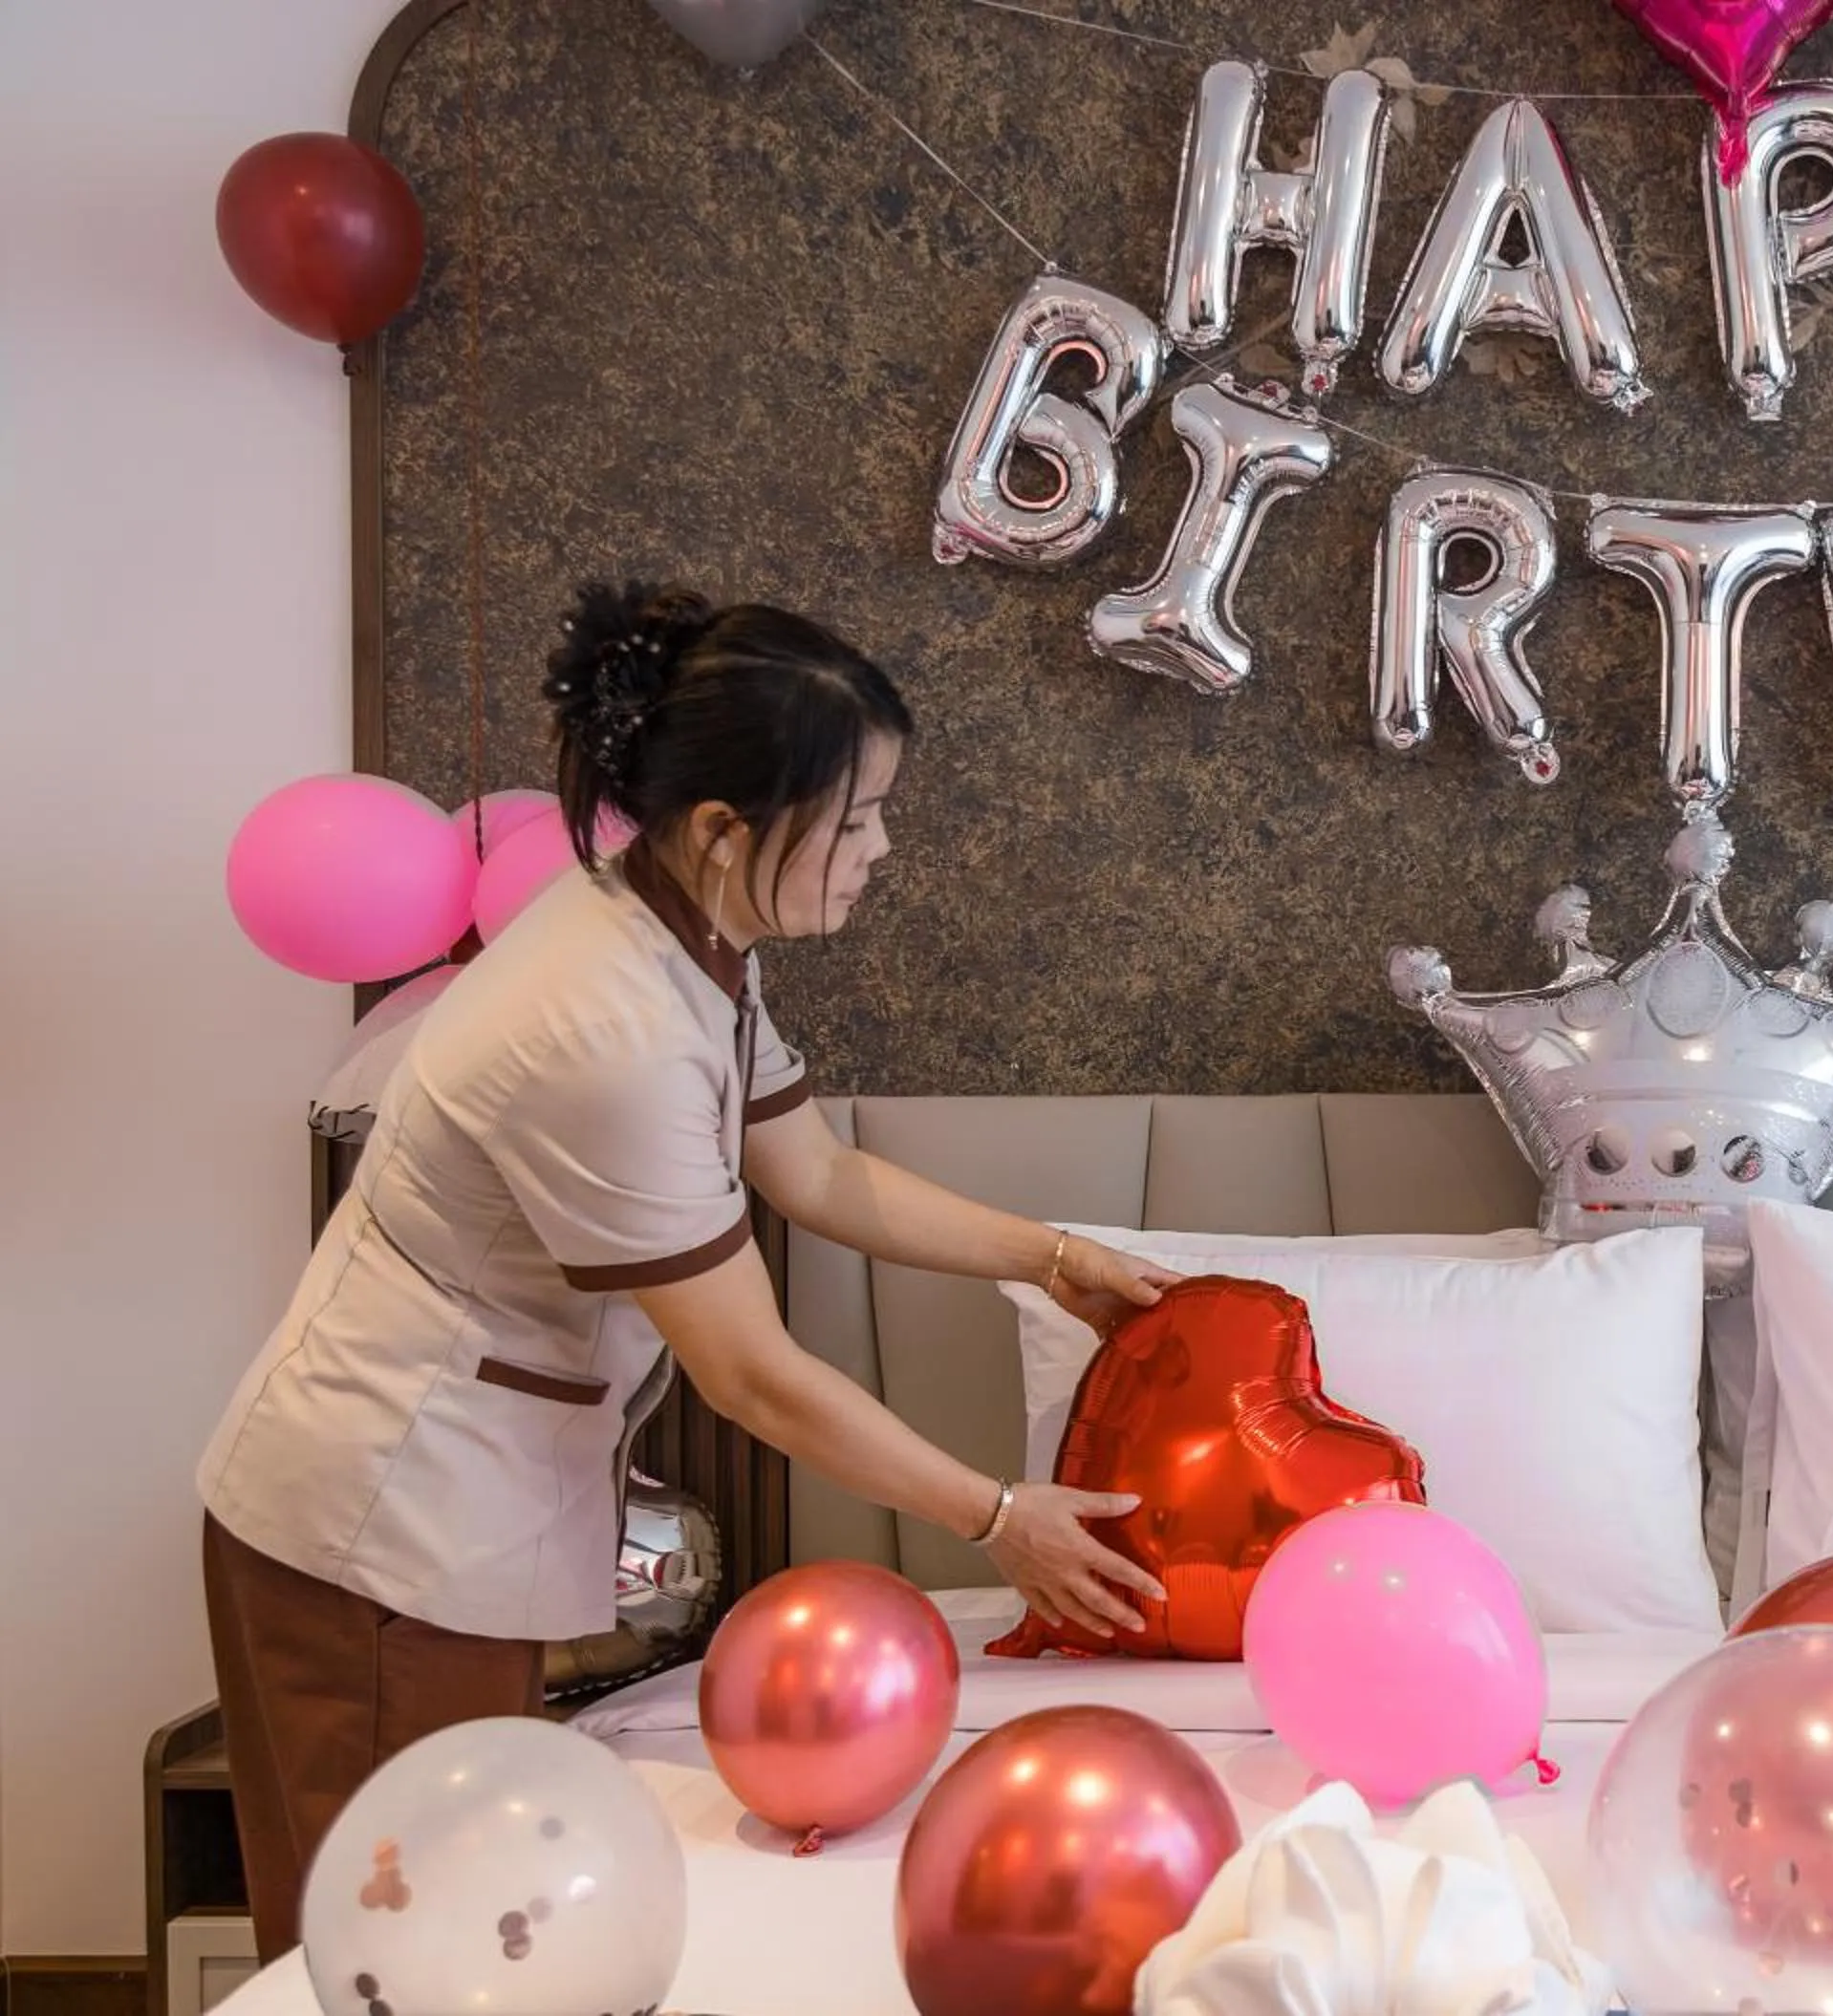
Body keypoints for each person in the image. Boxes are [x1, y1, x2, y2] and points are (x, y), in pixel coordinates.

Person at [195, 582, 1175, 1959]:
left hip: (457, 1506)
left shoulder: (693, 939)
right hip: (375, 1528)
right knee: (388, 1948)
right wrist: (997, 1511)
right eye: (858, 817)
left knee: (458, 1930)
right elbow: (752, 1374)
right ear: (726, 829)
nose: (883, 848)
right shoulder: (602, 1028)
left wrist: (1051, 1255)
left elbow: (818, 1175)